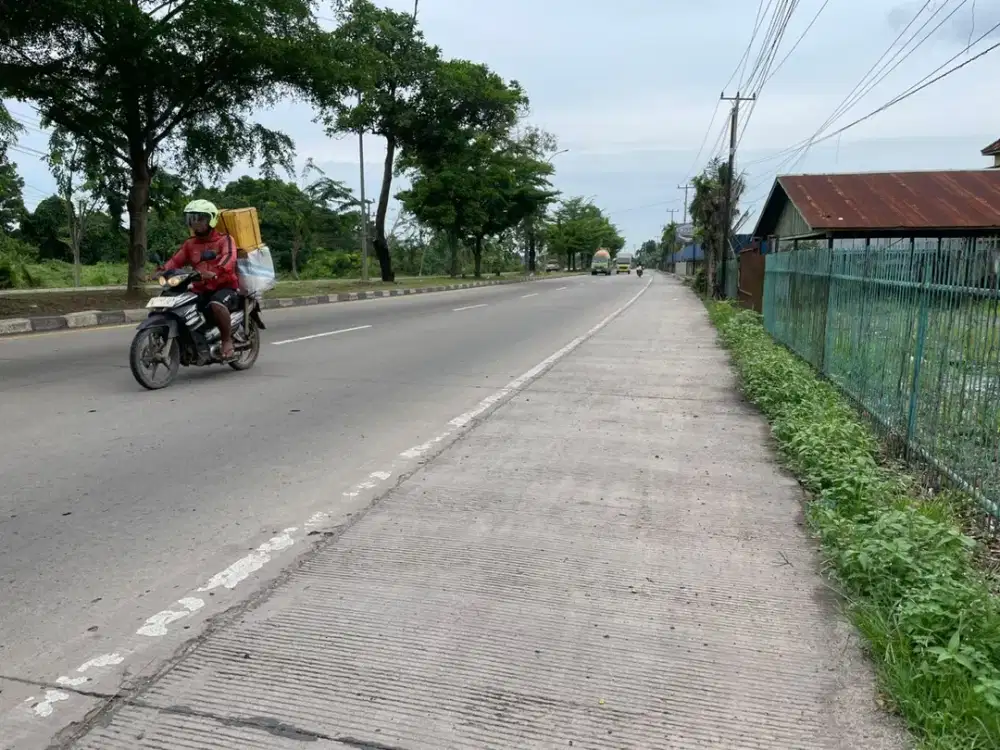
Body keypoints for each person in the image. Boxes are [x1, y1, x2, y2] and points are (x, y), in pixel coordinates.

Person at [161, 199, 239, 359]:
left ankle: (226, 341)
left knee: (216, 305)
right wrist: (161, 271)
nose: (195, 223)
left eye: (200, 218)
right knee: (179, 305)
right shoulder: (190, 244)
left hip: (224, 286)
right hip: (200, 287)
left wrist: (217, 271)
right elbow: (176, 261)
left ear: (211, 219)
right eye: (192, 218)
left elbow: (229, 257)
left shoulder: (224, 240)